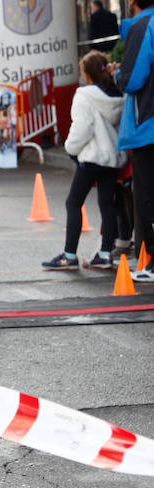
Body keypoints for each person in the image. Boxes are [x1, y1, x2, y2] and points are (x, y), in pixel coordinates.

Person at [42, 51, 125, 271]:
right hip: (112, 158)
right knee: (107, 205)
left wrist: (71, 149)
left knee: (73, 203)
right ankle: (105, 254)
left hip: (90, 157)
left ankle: (69, 255)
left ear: (86, 74)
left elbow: (82, 128)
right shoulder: (117, 96)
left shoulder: (84, 96)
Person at [115, 0, 154, 282]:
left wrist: (117, 73)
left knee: (147, 197)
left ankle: (151, 261)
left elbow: (131, 80)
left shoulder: (143, 26)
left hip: (148, 126)